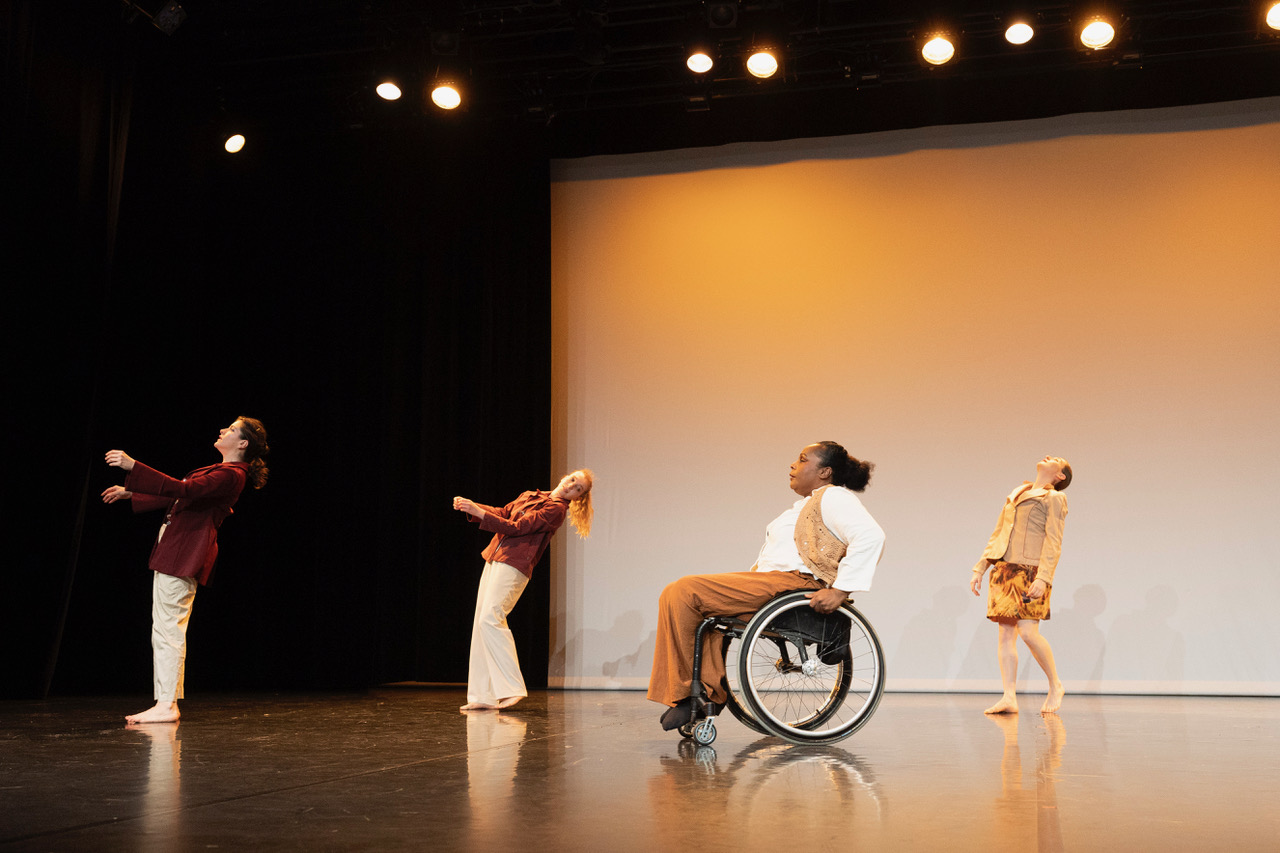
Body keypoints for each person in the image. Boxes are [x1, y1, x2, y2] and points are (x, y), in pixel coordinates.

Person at [647, 442, 886, 731]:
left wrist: (840, 590)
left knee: (683, 591)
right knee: (691, 605)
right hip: (772, 584)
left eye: (801, 460)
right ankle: (702, 695)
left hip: (791, 586)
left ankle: (689, 695)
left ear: (824, 471)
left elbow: (871, 536)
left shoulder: (833, 497)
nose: (792, 466)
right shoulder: (803, 506)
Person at [102, 416, 270, 724]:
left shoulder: (232, 474)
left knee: (168, 630)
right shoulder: (224, 471)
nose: (223, 430)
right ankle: (165, 702)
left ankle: (166, 705)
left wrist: (133, 466)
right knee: (164, 629)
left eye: (231, 429)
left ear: (243, 443)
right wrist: (131, 494)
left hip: (184, 553)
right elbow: (182, 493)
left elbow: (183, 488)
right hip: (177, 552)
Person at [453, 469, 594, 712]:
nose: (572, 485)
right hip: (495, 558)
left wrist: (479, 513)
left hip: (514, 565)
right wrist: (473, 507)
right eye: (573, 479)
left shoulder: (557, 509)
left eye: (578, 488)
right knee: (481, 622)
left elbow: (517, 527)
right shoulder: (531, 495)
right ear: (565, 477)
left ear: (578, 497)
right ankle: (483, 695)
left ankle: (512, 688)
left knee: (490, 619)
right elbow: (503, 513)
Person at [970, 455, 1071, 715]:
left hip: (1031, 570)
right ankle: (1009, 696)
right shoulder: (1017, 492)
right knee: (1005, 634)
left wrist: (1044, 577)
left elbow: (1054, 540)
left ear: (1060, 476)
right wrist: (981, 567)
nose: (1049, 457)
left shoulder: (1054, 498)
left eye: (1056, 460)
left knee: (1028, 633)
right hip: (1005, 569)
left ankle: (1055, 684)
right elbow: (998, 533)